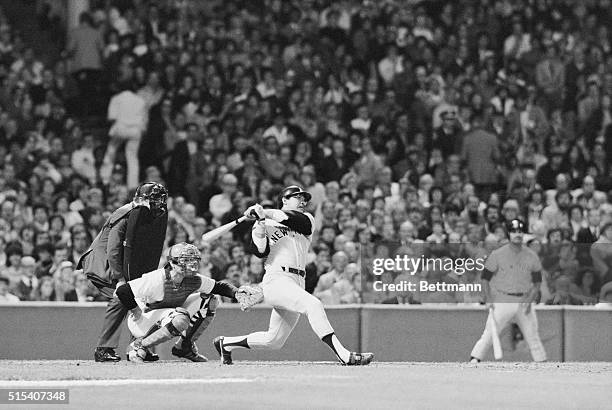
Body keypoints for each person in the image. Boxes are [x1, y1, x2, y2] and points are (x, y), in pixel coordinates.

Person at [214, 185, 373, 365]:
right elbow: (259, 250)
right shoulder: (267, 223)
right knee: (313, 305)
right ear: (284, 200)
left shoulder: (306, 219)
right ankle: (344, 355)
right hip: (277, 280)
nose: (303, 202)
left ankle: (225, 343)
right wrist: (259, 224)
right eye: (298, 197)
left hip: (297, 281)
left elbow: (293, 220)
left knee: (273, 341)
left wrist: (264, 211)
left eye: (304, 199)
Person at [77, 182, 168, 362]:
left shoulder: (148, 216)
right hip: (103, 264)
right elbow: (113, 249)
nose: (160, 202)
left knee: (144, 298)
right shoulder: (125, 213)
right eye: (156, 198)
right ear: (145, 198)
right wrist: (119, 278)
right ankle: (103, 349)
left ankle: (140, 347)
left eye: (161, 198)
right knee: (121, 298)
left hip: (123, 265)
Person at [116, 242, 247, 363]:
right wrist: (135, 310)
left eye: (193, 260)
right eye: (186, 260)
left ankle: (184, 347)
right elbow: (122, 291)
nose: (191, 264)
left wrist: (237, 293)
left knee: (210, 300)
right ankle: (139, 345)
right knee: (180, 318)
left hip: (170, 315)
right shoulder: (157, 278)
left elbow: (219, 287)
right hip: (143, 320)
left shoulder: (193, 279)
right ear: (172, 263)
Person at [469, 219, 547, 363]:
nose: (517, 234)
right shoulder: (498, 254)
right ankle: (474, 359)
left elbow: (537, 282)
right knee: (489, 334)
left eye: (520, 231)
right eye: (514, 231)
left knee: (533, 337)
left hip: (524, 300)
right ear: (508, 234)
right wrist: (489, 299)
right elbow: (485, 278)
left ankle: (542, 365)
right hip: (503, 299)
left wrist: (530, 300)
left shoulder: (531, 255)